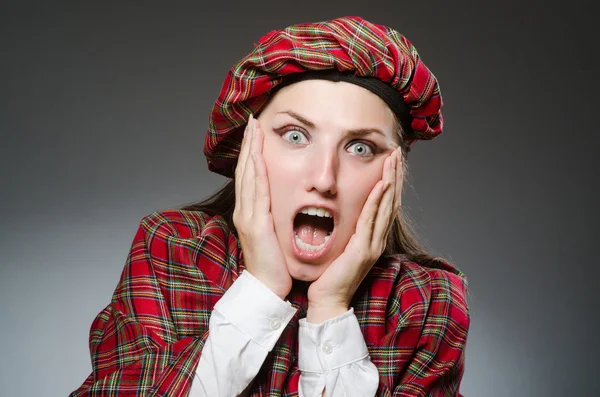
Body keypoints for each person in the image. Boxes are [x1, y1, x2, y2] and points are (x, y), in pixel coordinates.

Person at [70, 16, 469, 397]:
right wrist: (261, 289)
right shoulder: (175, 249)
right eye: (295, 136)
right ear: (250, 146)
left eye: (360, 147)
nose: (324, 178)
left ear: (394, 173)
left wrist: (331, 308)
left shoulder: (427, 300)